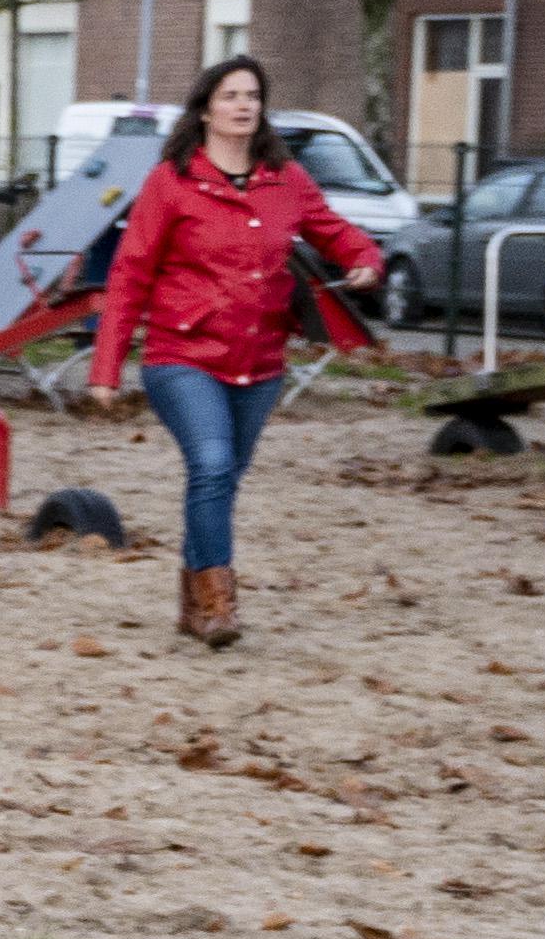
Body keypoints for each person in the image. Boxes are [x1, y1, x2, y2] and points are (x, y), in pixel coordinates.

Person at [87, 54, 384, 649]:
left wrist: (364, 260)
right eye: (230, 96)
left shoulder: (286, 179)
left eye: (252, 96)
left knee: (220, 481)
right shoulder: (171, 182)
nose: (243, 105)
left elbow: (332, 229)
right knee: (213, 466)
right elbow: (130, 276)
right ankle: (219, 605)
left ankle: (193, 602)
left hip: (261, 360)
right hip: (182, 355)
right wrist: (106, 367)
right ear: (204, 110)